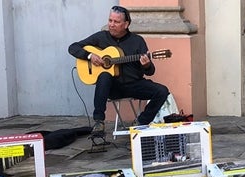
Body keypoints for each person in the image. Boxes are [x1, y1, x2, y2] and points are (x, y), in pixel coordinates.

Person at [68, 6, 170, 137]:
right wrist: (90, 56)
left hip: (134, 85)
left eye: (116, 22)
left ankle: (140, 122)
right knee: (104, 75)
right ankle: (99, 122)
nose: (111, 25)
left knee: (162, 91)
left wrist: (146, 65)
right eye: (110, 20)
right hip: (111, 88)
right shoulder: (100, 37)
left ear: (126, 24)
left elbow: (150, 72)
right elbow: (73, 47)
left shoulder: (137, 41)